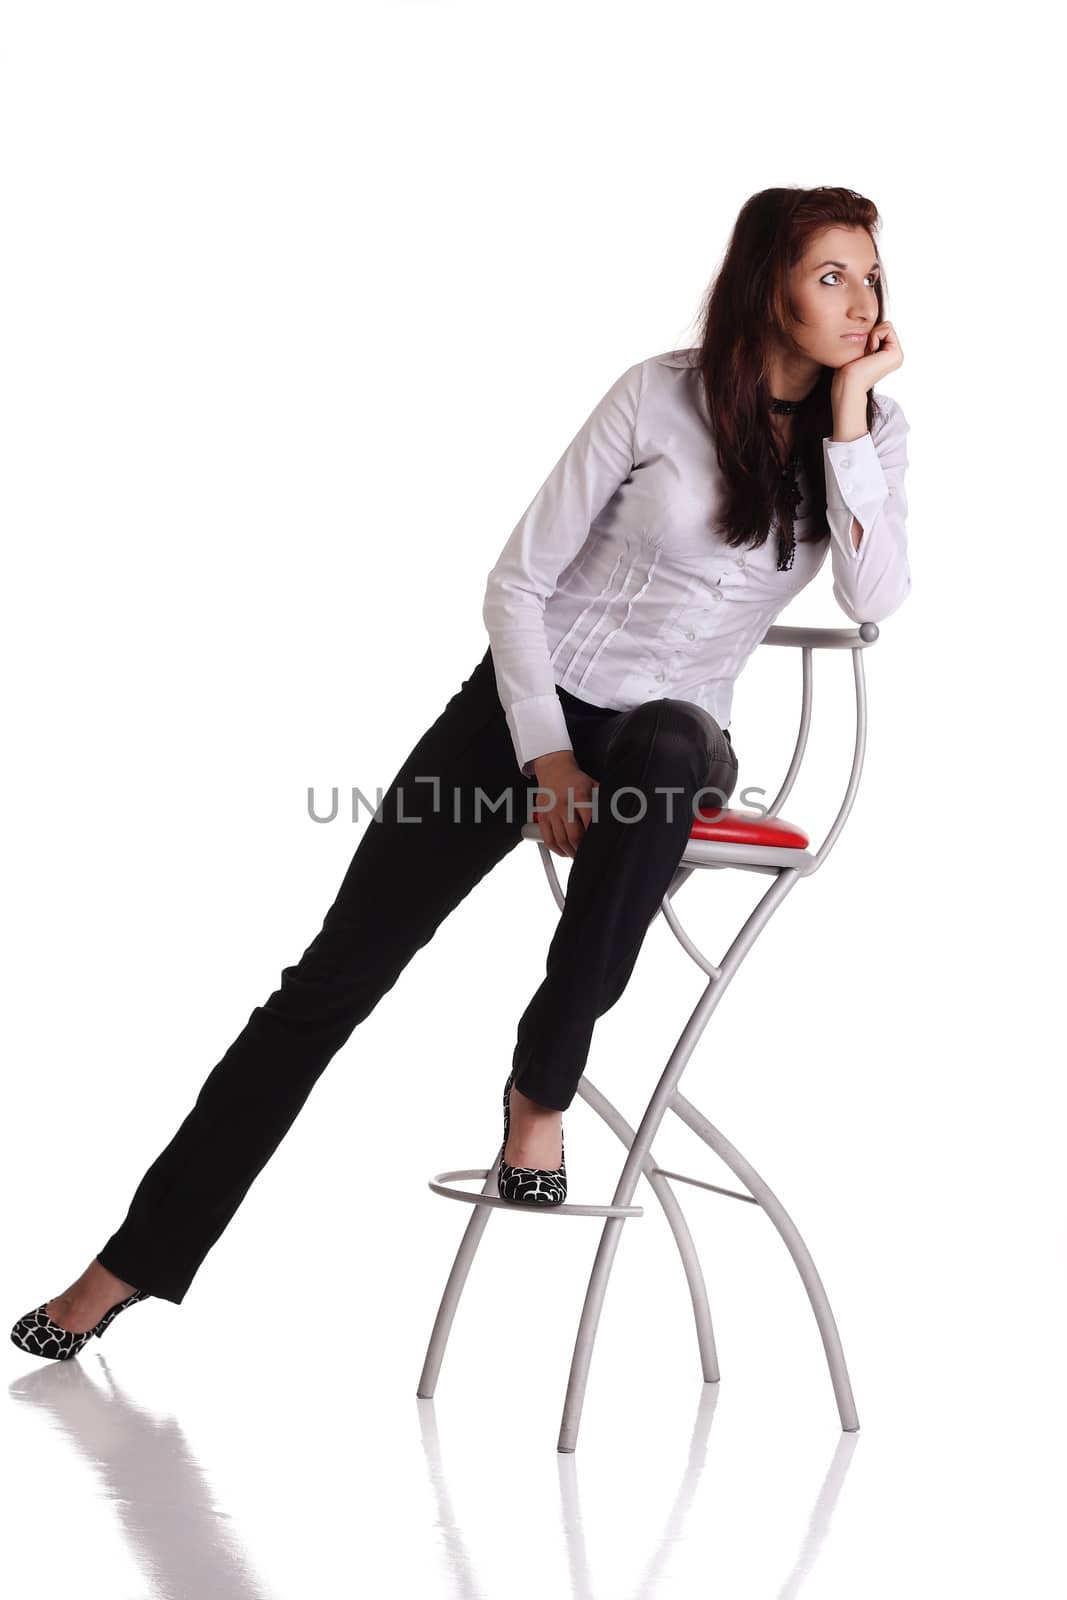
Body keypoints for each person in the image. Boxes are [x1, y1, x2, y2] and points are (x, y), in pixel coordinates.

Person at [11, 183, 911, 1360]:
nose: (858, 302)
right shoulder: (656, 392)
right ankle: (123, 1267)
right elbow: (515, 584)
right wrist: (542, 755)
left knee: (670, 743)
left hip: (671, 743)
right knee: (324, 988)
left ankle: (538, 1091)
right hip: (520, 718)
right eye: (829, 275)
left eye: (870, 278)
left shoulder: (872, 434)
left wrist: (847, 418)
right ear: (766, 283)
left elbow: (875, 598)